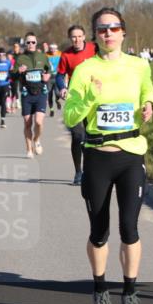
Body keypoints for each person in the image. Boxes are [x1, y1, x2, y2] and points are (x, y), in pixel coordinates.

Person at [64, 8, 153, 304]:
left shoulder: (139, 65)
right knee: (99, 231)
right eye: (102, 29)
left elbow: (147, 89)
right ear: (95, 36)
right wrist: (89, 98)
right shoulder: (85, 69)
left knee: (130, 228)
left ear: (123, 32)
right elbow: (70, 116)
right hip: (98, 156)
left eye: (114, 28)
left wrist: (148, 104)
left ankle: (130, 294)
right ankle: (100, 289)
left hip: (131, 154)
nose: (108, 34)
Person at [57, 24, 97, 185]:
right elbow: (60, 75)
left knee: (93, 136)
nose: (77, 39)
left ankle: (92, 170)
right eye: (74, 36)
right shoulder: (66, 54)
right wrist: (62, 88)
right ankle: (78, 172)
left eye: (79, 36)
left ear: (84, 36)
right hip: (76, 99)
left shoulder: (94, 49)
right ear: (70, 38)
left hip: (94, 98)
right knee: (78, 135)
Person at [14, 32, 52, 157]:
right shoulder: (20, 58)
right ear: (25, 44)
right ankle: (29, 149)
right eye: (28, 42)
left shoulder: (42, 56)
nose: (30, 44)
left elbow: (49, 70)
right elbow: (12, 75)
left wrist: (48, 76)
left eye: (33, 42)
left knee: (39, 122)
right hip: (27, 94)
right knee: (27, 123)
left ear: (36, 43)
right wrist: (18, 71)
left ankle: (36, 140)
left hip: (41, 92)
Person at [46, 42, 62, 117]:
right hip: (49, 77)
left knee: (57, 93)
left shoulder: (60, 54)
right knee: (49, 94)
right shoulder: (46, 55)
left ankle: (57, 100)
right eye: (51, 49)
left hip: (57, 76)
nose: (52, 50)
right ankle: (51, 109)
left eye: (54, 49)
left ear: (56, 49)